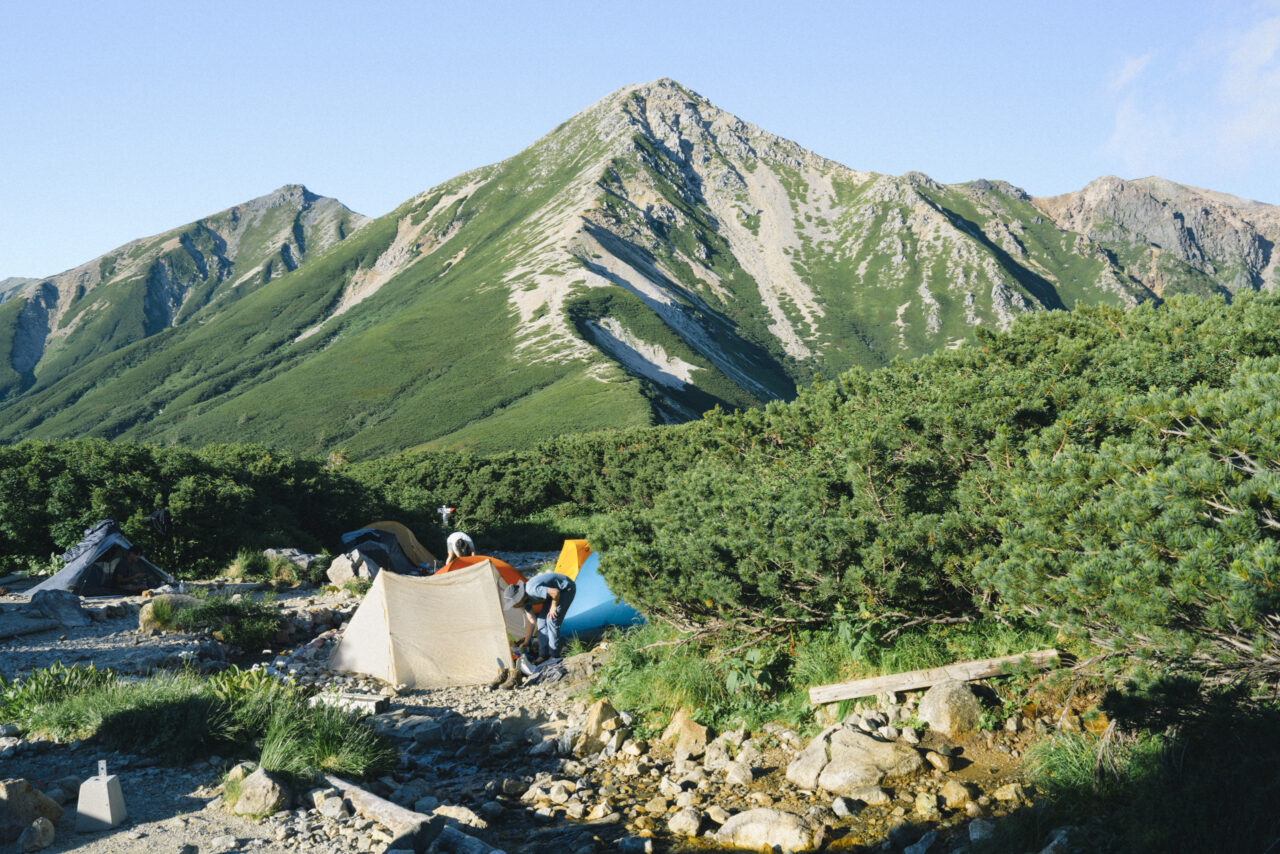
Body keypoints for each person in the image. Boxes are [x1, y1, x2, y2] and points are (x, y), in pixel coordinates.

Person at [503, 572, 576, 662]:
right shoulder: (524, 601)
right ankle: (543, 655)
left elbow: (555, 592)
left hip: (565, 589)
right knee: (541, 622)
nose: (513, 606)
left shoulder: (532, 590)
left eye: (513, 604)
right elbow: (532, 620)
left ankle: (554, 655)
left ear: (519, 598)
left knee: (551, 620)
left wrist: (553, 607)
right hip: (551, 596)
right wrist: (526, 641)